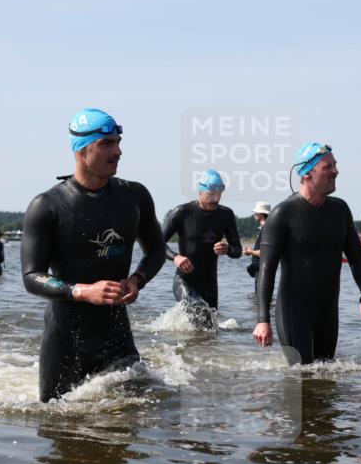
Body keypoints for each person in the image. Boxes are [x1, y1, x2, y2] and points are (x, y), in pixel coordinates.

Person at [21, 108, 166, 402]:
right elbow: (31, 277)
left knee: (135, 420)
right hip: (66, 341)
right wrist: (82, 291)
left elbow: (157, 250)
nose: (118, 151)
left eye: (118, 141)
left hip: (117, 338)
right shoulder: (48, 205)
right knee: (57, 424)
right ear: (81, 150)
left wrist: (137, 279)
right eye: (107, 144)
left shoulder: (135, 197)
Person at [253, 142, 361, 364]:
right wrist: (263, 320)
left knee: (325, 375)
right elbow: (266, 269)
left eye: (335, 165)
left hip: (328, 311)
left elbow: (356, 257)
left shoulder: (340, 210)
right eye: (327, 167)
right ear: (308, 173)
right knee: (302, 378)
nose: (336, 171)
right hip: (293, 311)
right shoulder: (283, 214)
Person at [161, 169, 242, 328]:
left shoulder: (226, 215)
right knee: (197, 310)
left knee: (210, 330)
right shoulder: (181, 213)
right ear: (200, 192)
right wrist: (176, 257)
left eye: (219, 195)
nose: (215, 199)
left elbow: (237, 250)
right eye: (211, 195)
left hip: (210, 284)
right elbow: (156, 244)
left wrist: (227, 249)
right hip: (184, 280)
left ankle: (205, 353)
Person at [244, 201, 270, 278]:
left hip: (262, 270)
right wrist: (251, 251)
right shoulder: (265, 228)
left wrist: (251, 251)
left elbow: (264, 252)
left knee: (260, 290)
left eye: (256, 212)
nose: (254, 214)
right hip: (261, 269)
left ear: (261, 214)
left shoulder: (266, 229)